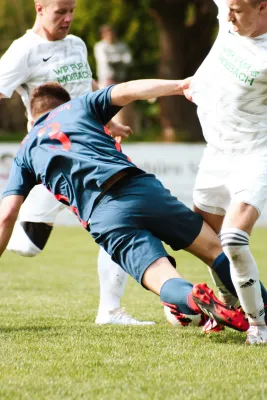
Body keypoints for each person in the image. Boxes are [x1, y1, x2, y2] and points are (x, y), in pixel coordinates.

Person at [0, 79, 249, 335]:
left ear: (31, 118)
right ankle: (260, 308)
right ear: (64, 103)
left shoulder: (25, 150)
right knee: (215, 250)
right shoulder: (79, 106)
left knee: (163, 277)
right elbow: (129, 91)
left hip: (103, 215)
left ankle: (191, 298)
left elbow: (7, 214)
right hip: (140, 189)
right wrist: (179, 86)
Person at [0, 0, 152, 326]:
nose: (68, 18)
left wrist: (108, 122)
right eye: (61, 12)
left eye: (72, 11)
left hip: (92, 152)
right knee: (24, 245)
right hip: (53, 159)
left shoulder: (77, 44)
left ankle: (110, 311)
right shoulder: (23, 51)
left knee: (123, 218)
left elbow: (87, 89)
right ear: (39, 8)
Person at [186, 0, 267, 344]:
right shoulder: (229, 16)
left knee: (233, 239)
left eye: (237, 9)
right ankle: (229, 301)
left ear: (262, 7)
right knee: (202, 232)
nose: (228, 15)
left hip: (256, 153)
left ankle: (259, 326)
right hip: (216, 153)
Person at [94, 25, 138, 130]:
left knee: (122, 108)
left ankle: (121, 130)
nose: (109, 35)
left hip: (120, 80)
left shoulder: (122, 46)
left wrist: (115, 60)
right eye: (107, 33)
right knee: (104, 107)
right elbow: (105, 61)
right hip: (106, 81)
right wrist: (119, 59)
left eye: (111, 33)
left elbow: (129, 61)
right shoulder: (100, 46)